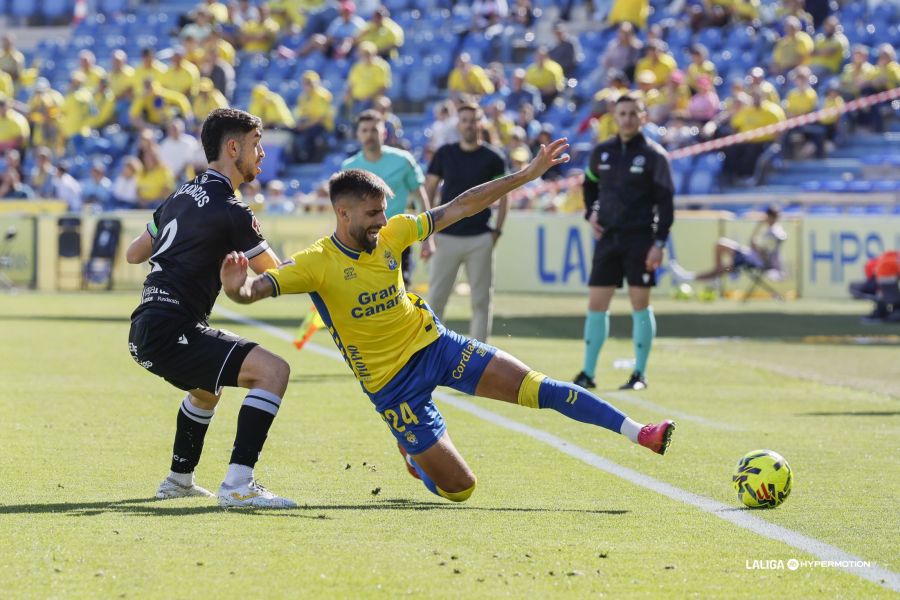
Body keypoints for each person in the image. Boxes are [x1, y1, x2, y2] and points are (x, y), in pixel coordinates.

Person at [219, 140, 676, 504]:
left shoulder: (394, 233)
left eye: (384, 211)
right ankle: (416, 458)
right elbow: (255, 291)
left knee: (540, 388)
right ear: (344, 213)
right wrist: (236, 286)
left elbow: (461, 206)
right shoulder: (315, 262)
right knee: (461, 490)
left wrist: (526, 175)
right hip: (392, 386)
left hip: (437, 345)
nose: (383, 220)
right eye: (374, 213)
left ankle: (640, 433)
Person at [125, 108, 296, 508]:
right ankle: (239, 484)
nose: (262, 155)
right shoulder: (232, 210)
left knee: (206, 389)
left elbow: (136, 254)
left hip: (145, 327)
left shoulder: (179, 195)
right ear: (233, 147)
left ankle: (178, 480)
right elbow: (275, 274)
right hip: (173, 328)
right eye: (257, 145)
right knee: (274, 371)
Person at [574, 94, 675, 392]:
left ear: (643, 117)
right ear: (614, 117)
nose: (628, 118)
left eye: (634, 113)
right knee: (596, 303)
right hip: (608, 239)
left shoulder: (654, 156)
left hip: (640, 239)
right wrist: (591, 213)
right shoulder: (602, 152)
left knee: (639, 303)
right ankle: (587, 373)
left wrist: (659, 242)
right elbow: (589, 185)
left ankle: (639, 374)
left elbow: (666, 203)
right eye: (623, 113)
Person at [425, 103, 507, 343]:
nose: (469, 124)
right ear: (458, 124)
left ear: (481, 123)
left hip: (480, 237)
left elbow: (504, 196)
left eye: (474, 120)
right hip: (446, 237)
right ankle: (431, 349)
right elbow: (429, 189)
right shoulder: (445, 153)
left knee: (481, 301)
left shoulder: (494, 157)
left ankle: (481, 354)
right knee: (436, 300)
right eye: (465, 120)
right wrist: (430, 228)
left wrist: (497, 231)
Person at [342, 110, 433, 287]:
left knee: (401, 290)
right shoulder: (349, 167)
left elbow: (420, 197)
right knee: (365, 292)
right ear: (358, 134)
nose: (369, 134)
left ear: (384, 133)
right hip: (362, 239)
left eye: (374, 130)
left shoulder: (403, 160)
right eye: (365, 130)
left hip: (397, 236)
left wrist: (427, 238)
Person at [680, 205, 787, 282]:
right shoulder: (776, 231)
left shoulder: (772, 232)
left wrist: (758, 227)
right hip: (752, 258)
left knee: (720, 245)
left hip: (752, 260)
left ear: (769, 217)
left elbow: (757, 248)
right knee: (722, 265)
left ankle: (691, 277)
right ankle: (695, 277)